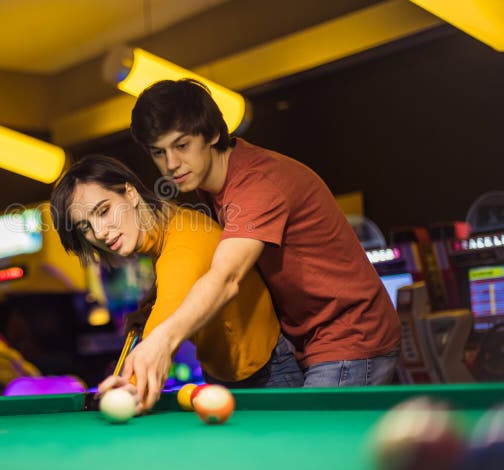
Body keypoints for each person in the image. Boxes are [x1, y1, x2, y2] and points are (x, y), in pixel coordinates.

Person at [122, 79, 401, 407]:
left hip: (351, 336)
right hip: (305, 339)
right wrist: (153, 305)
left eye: (181, 145)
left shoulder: (256, 185)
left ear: (211, 133)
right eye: (159, 152)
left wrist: (163, 341)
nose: (171, 164)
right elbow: (202, 253)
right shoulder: (209, 183)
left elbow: (225, 278)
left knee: (307, 456)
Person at [50, 155, 304, 410]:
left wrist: (133, 385)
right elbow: (176, 285)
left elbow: (171, 300)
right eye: (85, 227)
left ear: (130, 193)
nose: (99, 232)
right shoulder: (165, 224)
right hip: (220, 374)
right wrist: (148, 307)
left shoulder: (182, 248)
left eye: (103, 211)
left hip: (268, 374)